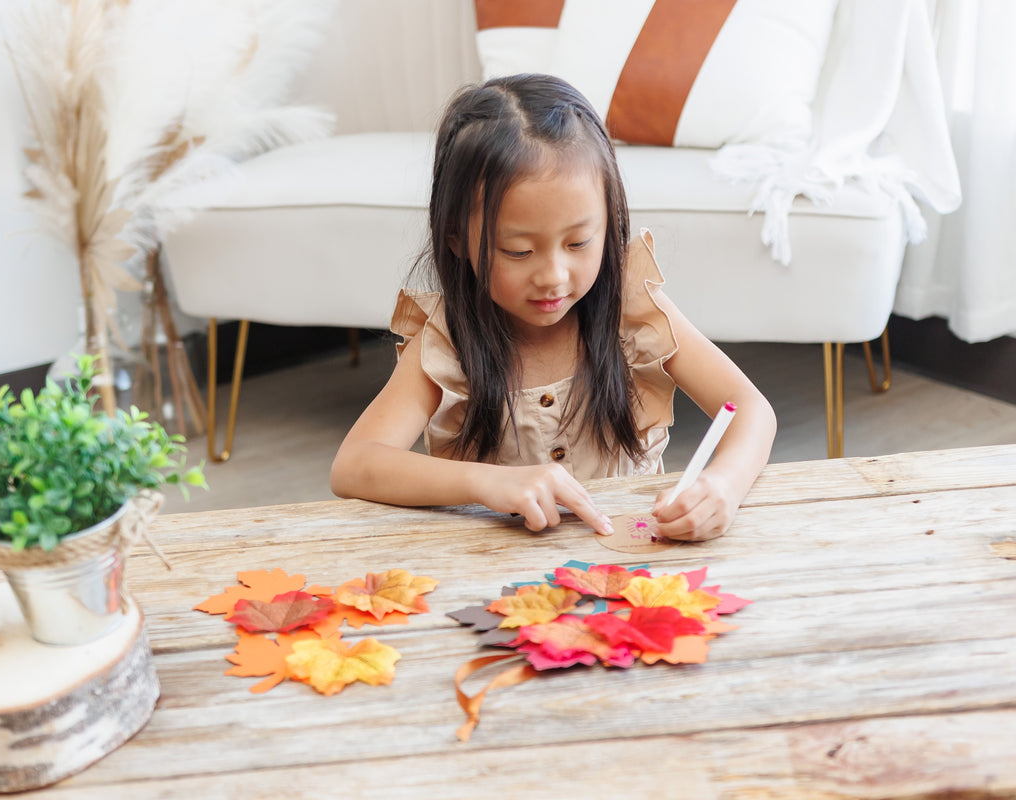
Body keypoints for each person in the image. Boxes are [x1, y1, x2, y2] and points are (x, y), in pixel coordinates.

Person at [331, 74, 775, 541]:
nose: (554, 276)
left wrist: (723, 485)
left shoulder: (632, 308)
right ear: (458, 239)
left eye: (579, 242)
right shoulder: (449, 341)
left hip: (634, 566)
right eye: (518, 251)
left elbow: (750, 409)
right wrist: (488, 482)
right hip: (497, 580)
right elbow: (355, 464)